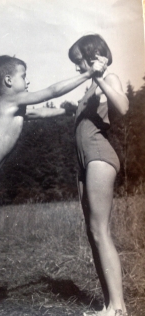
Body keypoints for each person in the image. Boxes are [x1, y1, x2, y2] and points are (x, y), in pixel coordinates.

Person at [0, 54, 107, 316]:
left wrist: (73, 110)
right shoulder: (10, 99)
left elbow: (45, 110)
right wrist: (89, 73)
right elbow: (52, 91)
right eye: (23, 75)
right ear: (9, 80)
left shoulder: (15, 106)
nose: (28, 79)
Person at [68, 34, 129, 316]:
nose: (77, 68)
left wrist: (101, 76)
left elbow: (124, 107)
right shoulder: (89, 88)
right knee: (93, 233)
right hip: (84, 162)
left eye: (79, 61)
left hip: (99, 156)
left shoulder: (109, 79)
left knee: (101, 232)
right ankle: (108, 305)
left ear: (92, 56)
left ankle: (118, 308)